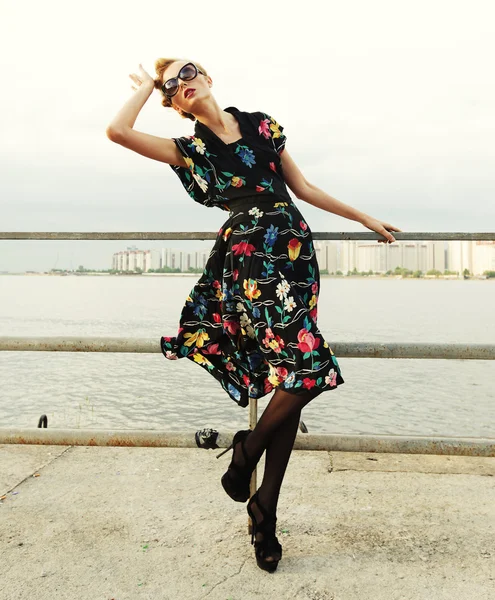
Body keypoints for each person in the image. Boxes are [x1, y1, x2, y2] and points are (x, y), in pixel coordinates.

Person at [106, 58, 402, 572]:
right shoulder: (188, 150)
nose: (183, 83)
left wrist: (364, 216)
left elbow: (304, 189)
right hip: (248, 261)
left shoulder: (263, 124)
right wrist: (149, 87)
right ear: (174, 104)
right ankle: (246, 459)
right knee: (307, 369)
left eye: (188, 71)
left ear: (209, 77)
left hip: (293, 252)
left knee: (293, 378)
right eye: (172, 86)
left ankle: (263, 507)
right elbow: (117, 131)